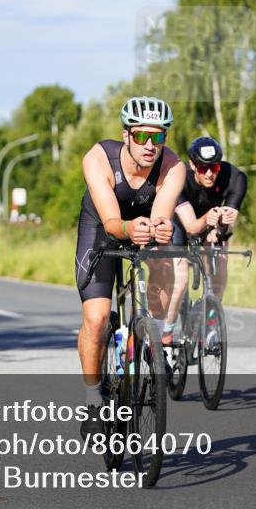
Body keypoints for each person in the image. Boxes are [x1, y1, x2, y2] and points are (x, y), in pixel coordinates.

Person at [75, 96, 185, 436]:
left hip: (143, 227)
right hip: (102, 229)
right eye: (141, 137)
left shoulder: (173, 166)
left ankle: (155, 340)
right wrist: (127, 228)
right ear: (126, 135)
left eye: (158, 137)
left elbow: (161, 214)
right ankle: (94, 401)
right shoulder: (99, 159)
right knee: (95, 320)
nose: (150, 145)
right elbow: (111, 221)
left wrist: (161, 228)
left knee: (165, 264)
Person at [161, 137, 248, 346]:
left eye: (214, 167)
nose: (209, 174)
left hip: (211, 223)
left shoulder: (235, 178)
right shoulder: (180, 178)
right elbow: (191, 226)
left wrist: (224, 224)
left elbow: (229, 222)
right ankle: (167, 334)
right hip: (182, 223)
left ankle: (208, 321)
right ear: (192, 166)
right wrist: (207, 220)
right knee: (180, 283)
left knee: (219, 273)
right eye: (202, 169)